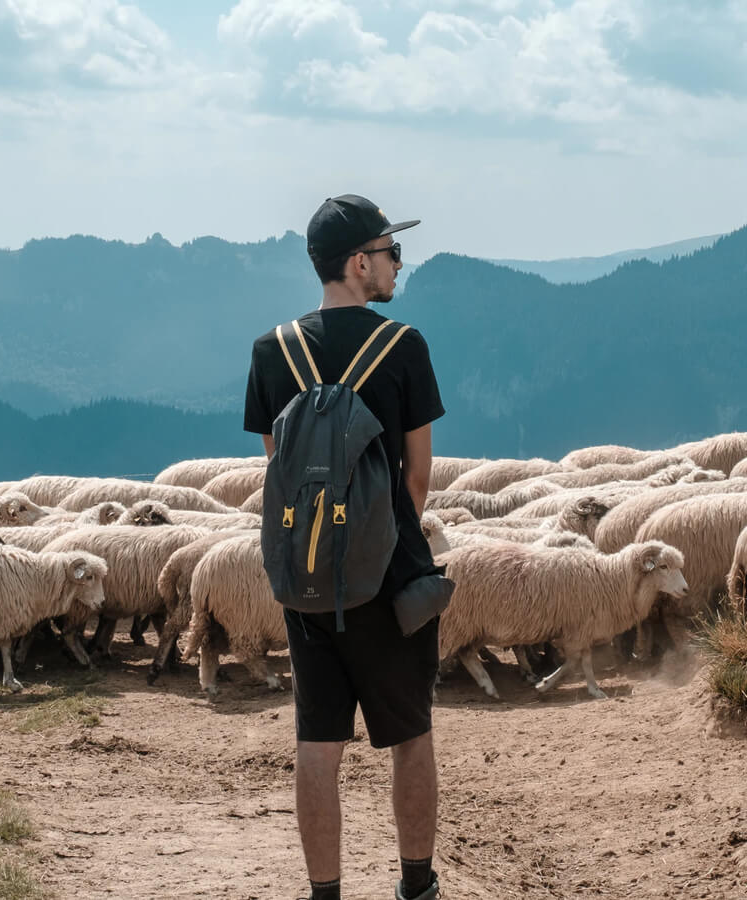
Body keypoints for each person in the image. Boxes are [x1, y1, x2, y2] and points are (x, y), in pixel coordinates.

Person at [243, 194, 446, 900]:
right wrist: (379, 542)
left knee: (317, 743)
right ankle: (416, 885)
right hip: (389, 582)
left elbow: (282, 467)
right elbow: (417, 477)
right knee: (409, 734)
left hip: (306, 582)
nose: (397, 264)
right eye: (391, 252)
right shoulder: (405, 346)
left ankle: (324, 892)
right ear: (360, 264)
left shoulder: (272, 351)